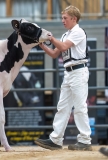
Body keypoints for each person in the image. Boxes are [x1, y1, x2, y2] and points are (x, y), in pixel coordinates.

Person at [34, 5, 92, 151]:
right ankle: (56, 139)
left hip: (78, 71)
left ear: (74, 19)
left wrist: (50, 38)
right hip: (69, 72)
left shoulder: (78, 32)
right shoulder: (67, 34)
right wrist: (42, 45)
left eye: (65, 18)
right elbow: (55, 54)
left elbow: (64, 47)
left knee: (80, 107)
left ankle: (85, 140)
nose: (63, 20)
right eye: (62, 18)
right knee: (63, 107)